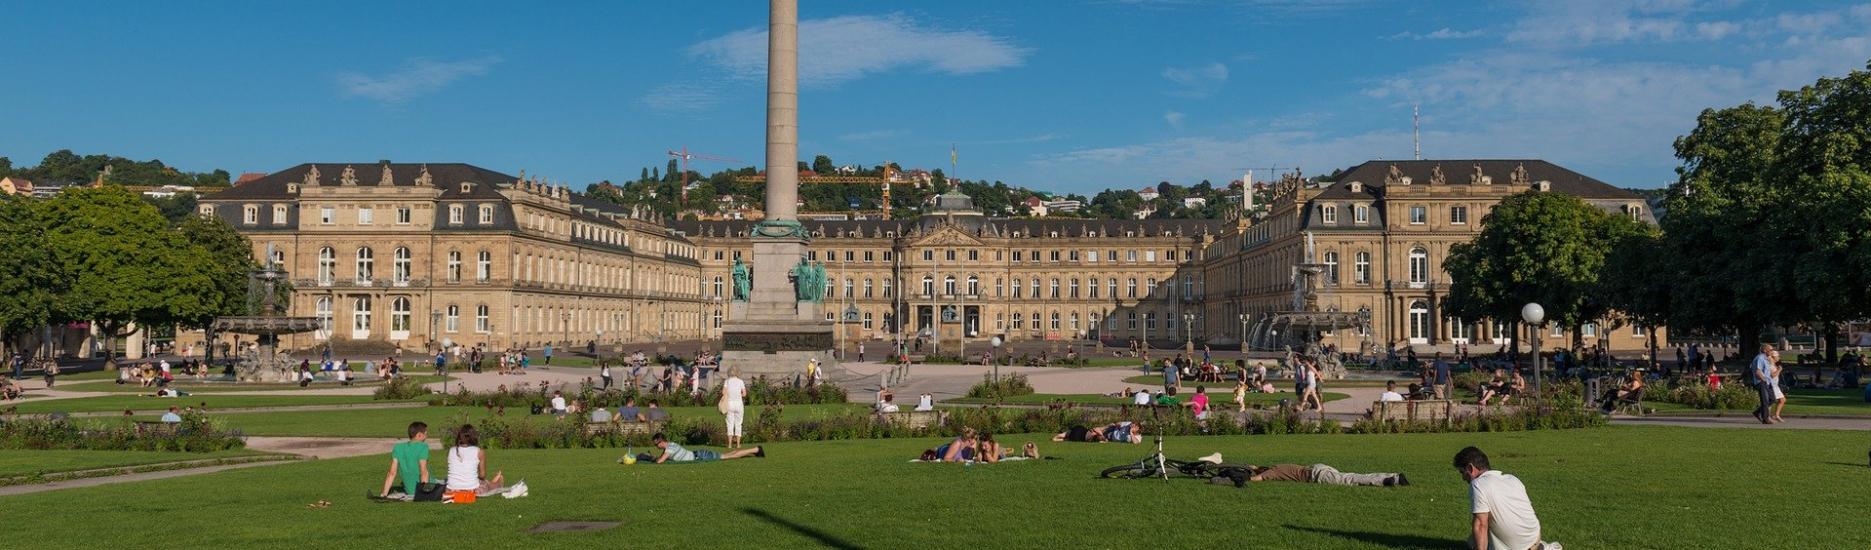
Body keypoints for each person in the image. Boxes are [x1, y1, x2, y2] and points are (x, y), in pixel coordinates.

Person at [1455, 446, 1556, 550]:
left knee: (1473, 540)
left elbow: (1481, 524)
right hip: (1534, 538)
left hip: (1517, 546)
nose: (1463, 478)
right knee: (1473, 539)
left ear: (1471, 468)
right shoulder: (1512, 479)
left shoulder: (1478, 484)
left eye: (1462, 472)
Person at [1210, 462, 1406, 488]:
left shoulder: (1273, 471)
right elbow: (1253, 467)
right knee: (1352, 475)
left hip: (1317, 475)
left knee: (1350, 480)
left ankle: (1391, 479)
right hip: (1320, 468)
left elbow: (1255, 477)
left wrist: (1231, 478)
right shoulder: (1278, 465)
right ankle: (1392, 475)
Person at [444, 424, 505, 502]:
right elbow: (482, 475)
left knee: (479, 481)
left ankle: (493, 482)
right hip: (472, 491)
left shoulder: (451, 450)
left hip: (450, 490)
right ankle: (497, 483)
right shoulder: (479, 451)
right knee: (484, 483)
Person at [379, 422, 432, 499]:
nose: (426, 436)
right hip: (425, 488)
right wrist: (424, 494)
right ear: (419, 435)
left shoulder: (398, 447)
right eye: (425, 434)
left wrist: (384, 494)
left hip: (409, 490)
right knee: (446, 483)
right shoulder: (423, 447)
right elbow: (423, 471)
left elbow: (392, 473)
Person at [650, 432, 763, 463]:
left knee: (728, 456)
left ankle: (756, 449)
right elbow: (662, 457)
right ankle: (754, 451)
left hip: (701, 456)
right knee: (729, 455)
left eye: (656, 444)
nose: (656, 446)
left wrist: (651, 458)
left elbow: (660, 461)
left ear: (661, 442)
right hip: (699, 454)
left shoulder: (669, 449)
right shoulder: (671, 445)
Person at [722, 366, 748, 449]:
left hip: (729, 404)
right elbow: (744, 394)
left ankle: (729, 444)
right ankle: (738, 444)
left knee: (729, 424)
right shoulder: (740, 381)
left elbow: (723, 392)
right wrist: (738, 395)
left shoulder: (727, 381)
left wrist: (729, 394)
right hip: (739, 404)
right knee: (738, 424)